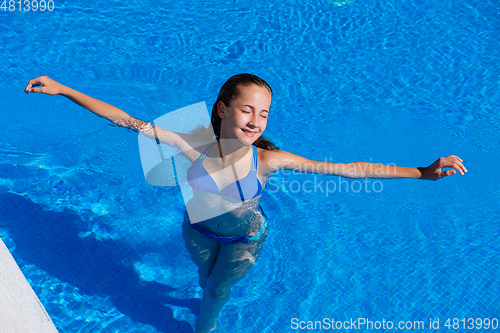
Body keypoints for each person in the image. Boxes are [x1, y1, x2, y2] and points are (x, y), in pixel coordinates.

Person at [24, 74, 467, 332]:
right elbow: (125, 119)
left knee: (216, 291)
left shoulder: (269, 161)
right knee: (203, 276)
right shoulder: (189, 145)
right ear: (221, 109)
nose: (255, 120)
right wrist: (63, 89)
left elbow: (350, 168)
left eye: (264, 113)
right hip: (196, 231)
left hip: (244, 241)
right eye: (245, 110)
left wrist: (422, 173)